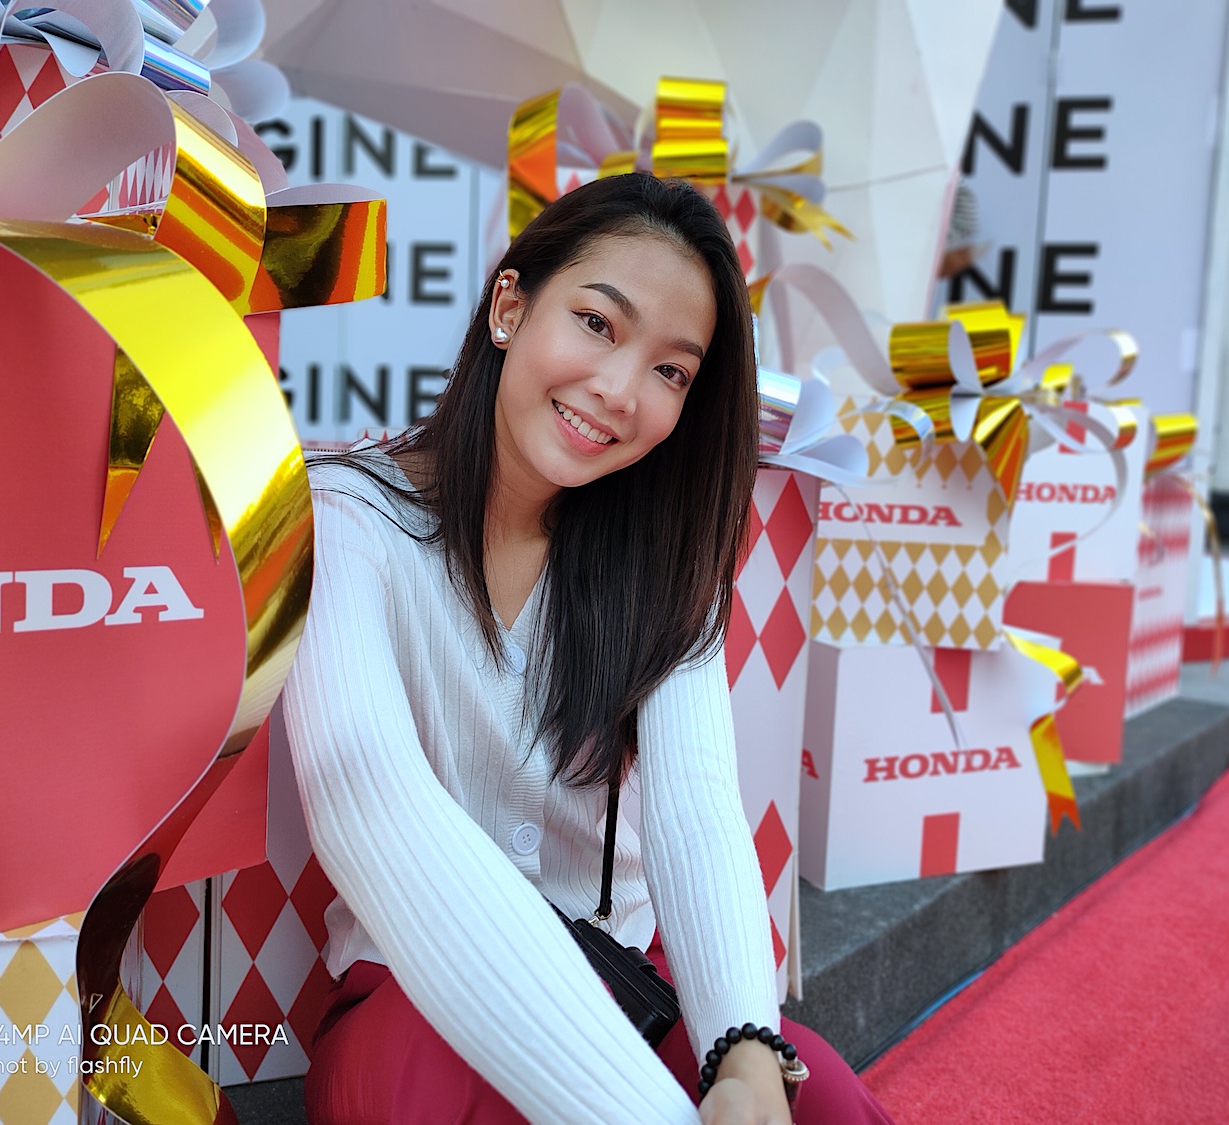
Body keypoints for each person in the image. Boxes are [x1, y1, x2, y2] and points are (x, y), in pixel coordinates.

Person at [284, 172, 894, 1124]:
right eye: (598, 323)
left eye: (671, 372)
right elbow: (366, 790)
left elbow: (698, 813)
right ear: (509, 306)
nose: (618, 391)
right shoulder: (345, 516)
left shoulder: (661, 555)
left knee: (825, 1104)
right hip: (418, 989)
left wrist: (745, 1055)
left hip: (625, 976)